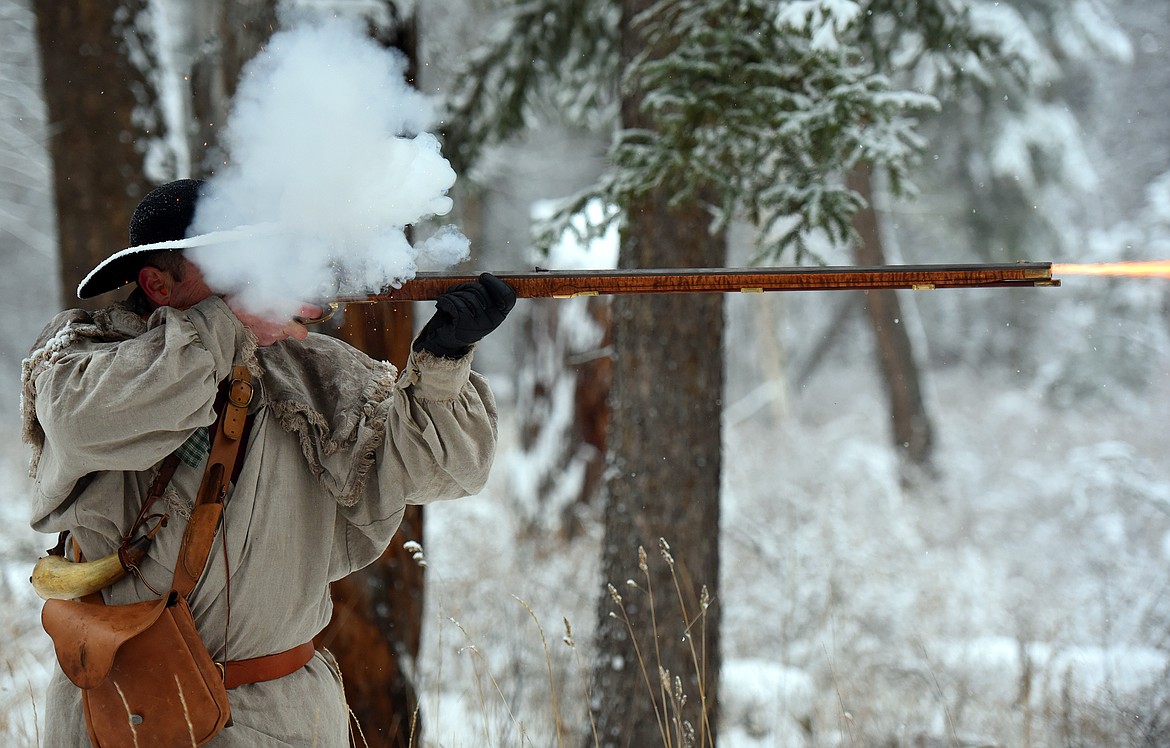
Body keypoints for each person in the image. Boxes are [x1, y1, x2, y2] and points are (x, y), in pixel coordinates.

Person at [21, 178, 515, 746]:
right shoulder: (84, 354)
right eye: (230, 262)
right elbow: (90, 422)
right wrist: (228, 328)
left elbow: (450, 470)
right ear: (157, 283)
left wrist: (443, 360)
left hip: (277, 717)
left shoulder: (312, 368)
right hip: (122, 711)